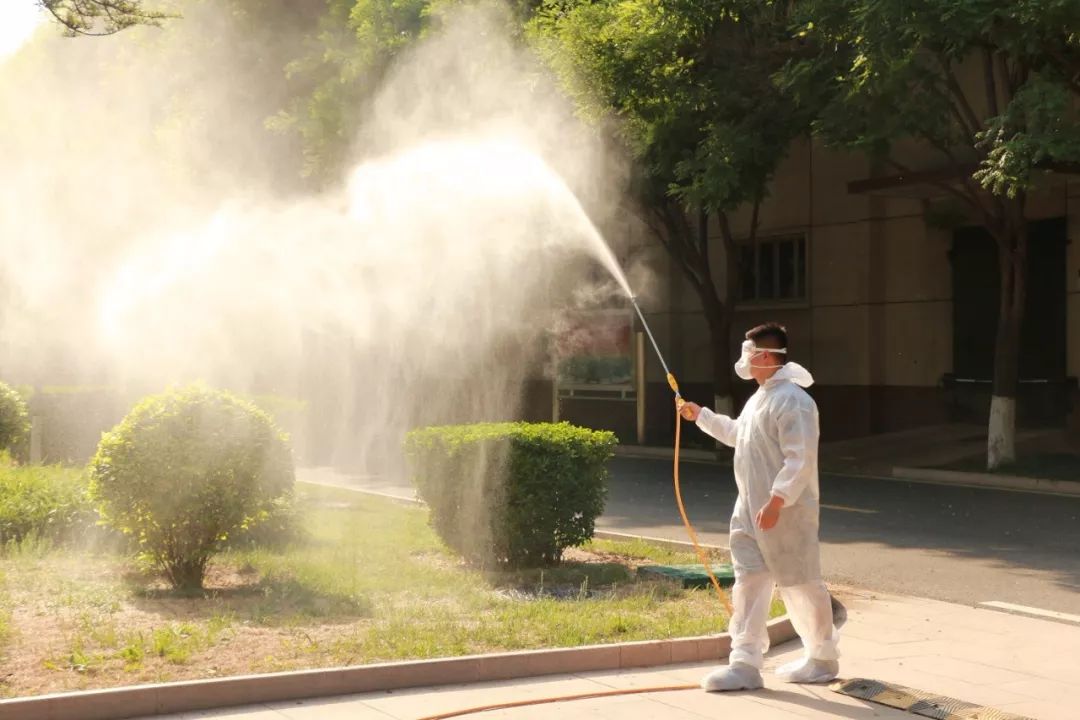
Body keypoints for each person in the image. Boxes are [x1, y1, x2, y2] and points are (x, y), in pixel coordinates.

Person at [679, 322, 839, 691]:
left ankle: (822, 658)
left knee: (800, 584)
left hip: (785, 514)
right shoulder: (761, 398)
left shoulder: (795, 402)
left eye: (748, 353)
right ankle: (745, 663)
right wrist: (701, 415)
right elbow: (739, 435)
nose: (744, 360)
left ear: (764, 356)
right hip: (750, 510)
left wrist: (777, 499)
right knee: (749, 582)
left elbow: (800, 459)